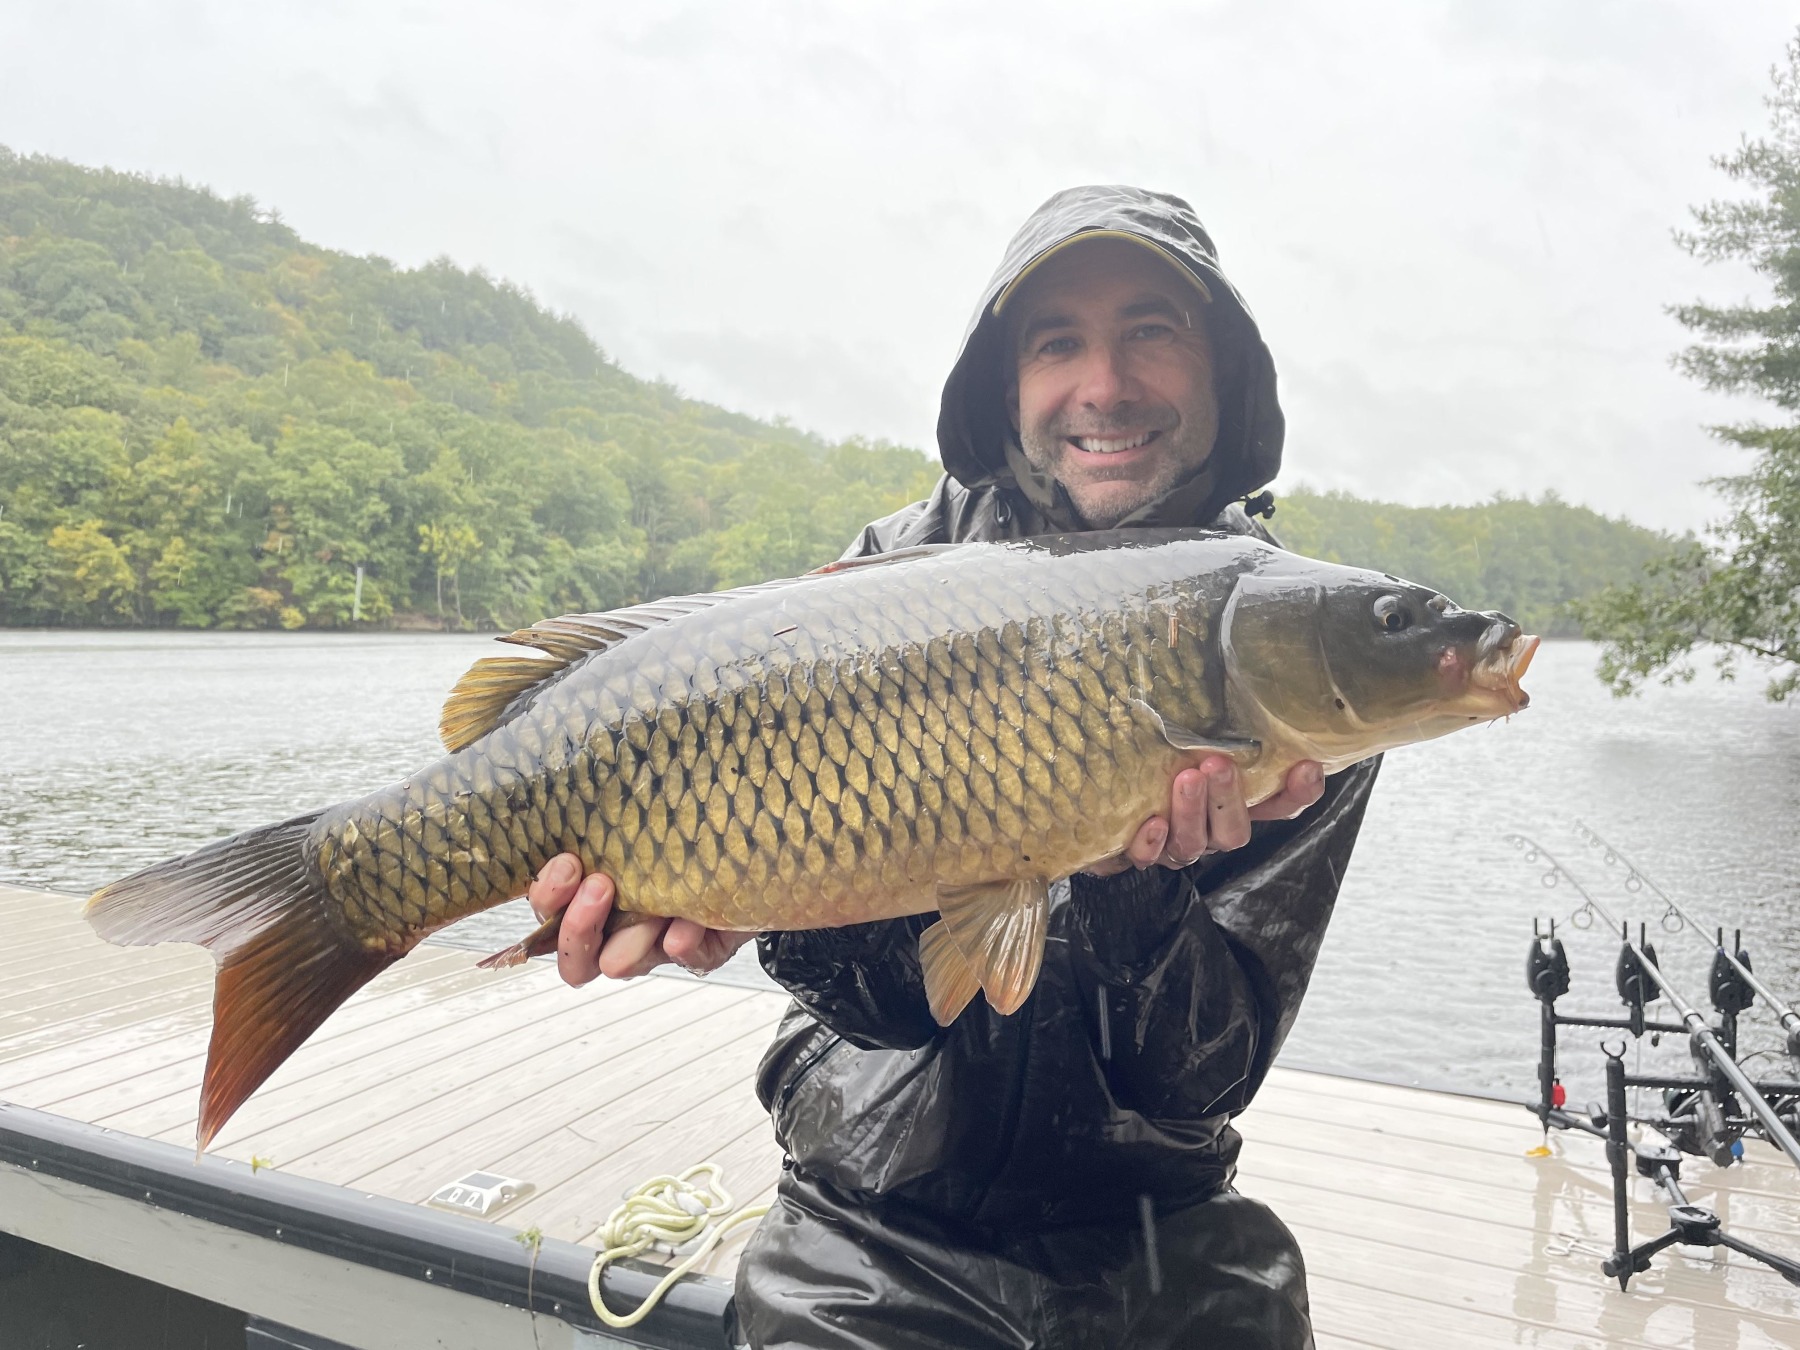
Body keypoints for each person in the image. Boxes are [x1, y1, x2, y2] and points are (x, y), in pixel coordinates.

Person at [528, 185, 1380, 1348]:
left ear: (1225, 371)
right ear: (1003, 381)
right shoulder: (891, 573)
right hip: (869, 1212)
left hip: (1158, 1220)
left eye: (1152, 329)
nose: (1106, 384)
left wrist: (1137, 884)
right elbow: (870, 1005)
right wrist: (743, 898)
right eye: (1057, 341)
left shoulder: (1294, 652)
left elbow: (1203, 1075)